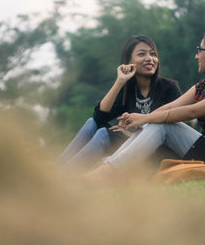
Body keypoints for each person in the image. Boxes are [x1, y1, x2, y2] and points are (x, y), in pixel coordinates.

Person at [85, 29, 205, 182]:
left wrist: (144, 118)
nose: (196, 55)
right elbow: (170, 107)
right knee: (155, 122)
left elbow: (190, 112)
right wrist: (141, 121)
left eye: (200, 50)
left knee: (161, 125)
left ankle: (107, 172)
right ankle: (107, 168)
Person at [56, 35, 181, 173]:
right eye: (141, 54)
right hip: (130, 145)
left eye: (153, 54)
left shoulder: (169, 88)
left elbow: (174, 131)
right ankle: (54, 171)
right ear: (128, 61)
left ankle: (63, 177)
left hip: (157, 153)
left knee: (104, 134)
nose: (149, 58)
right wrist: (120, 81)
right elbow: (99, 118)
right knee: (92, 122)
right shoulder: (128, 90)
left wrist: (130, 135)